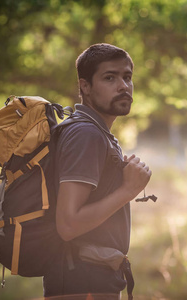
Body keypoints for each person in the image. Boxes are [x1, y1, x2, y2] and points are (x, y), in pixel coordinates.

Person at [43, 43, 152, 300]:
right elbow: (68, 225)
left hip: (90, 277)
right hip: (83, 281)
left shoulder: (95, 132)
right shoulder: (86, 134)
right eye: (110, 77)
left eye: (127, 77)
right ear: (85, 86)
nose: (123, 86)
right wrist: (128, 190)